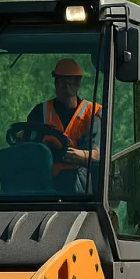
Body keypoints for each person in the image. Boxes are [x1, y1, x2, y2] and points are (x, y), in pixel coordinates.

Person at [24, 58, 103, 193]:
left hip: (82, 192)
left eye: (71, 80)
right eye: (62, 80)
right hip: (45, 187)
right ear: (55, 82)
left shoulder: (94, 113)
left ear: (78, 82)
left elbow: (101, 155)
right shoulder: (40, 112)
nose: (67, 84)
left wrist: (82, 156)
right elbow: (26, 149)